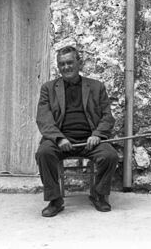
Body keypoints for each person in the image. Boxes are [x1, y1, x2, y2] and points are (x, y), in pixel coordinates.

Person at [35, 46, 118, 217]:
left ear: (79, 63)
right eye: (62, 64)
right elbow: (43, 118)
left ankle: (99, 194)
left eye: (70, 62)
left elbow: (107, 117)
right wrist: (59, 139)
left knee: (110, 156)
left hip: (90, 141)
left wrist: (97, 135)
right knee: (44, 153)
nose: (66, 67)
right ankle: (55, 200)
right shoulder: (48, 88)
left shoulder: (96, 87)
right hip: (61, 140)